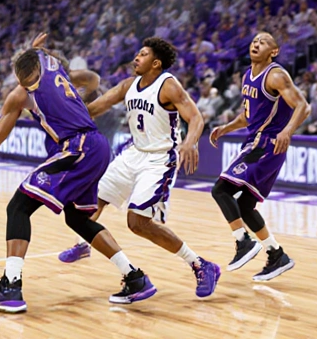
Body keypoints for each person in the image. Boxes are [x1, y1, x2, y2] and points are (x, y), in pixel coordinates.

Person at [0, 34, 153, 312]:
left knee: (18, 207)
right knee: (77, 219)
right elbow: (94, 79)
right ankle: (135, 277)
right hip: (97, 146)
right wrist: (77, 102)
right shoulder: (56, 67)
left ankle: (10, 286)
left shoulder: (20, 93)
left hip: (78, 147)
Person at [56, 38, 220, 298]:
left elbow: (196, 117)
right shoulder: (128, 85)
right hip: (133, 154)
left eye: (142, 55)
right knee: (91, 200)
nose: (136, 58)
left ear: (156, 63)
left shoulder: (168, 85)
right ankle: (83, 243)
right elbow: (96, 107)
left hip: (159, 159)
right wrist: (63, 113)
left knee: (138, 223)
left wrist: (190, 143)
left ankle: (201, 265)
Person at [208, 32, 309, 281]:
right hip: (255, 142)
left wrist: (287, 131)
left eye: (263, 42)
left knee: (220, 190)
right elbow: (247, 116)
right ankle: (276, 255)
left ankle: (243, 241)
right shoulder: (247, 76)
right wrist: (226, 128)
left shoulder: (276, 74)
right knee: (245, 205)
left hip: (266, 144)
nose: (256, 43)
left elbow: (303, 106)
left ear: (273, 51)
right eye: (255, 41)